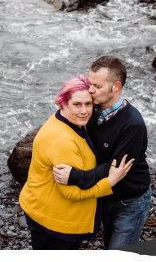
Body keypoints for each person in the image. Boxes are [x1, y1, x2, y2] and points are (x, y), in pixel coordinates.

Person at [20, 75, 134, 250]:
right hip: (54, 221)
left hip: (45, 209)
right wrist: (110, 181)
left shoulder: (68, 122)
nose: (84, 111)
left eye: (88, 104)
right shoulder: (63, 141)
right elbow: (71, 192)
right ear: (63, 103)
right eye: (77, 104)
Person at [53, 56, 151, 249]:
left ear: (116, 87)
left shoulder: (133, 124)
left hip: (130, 201)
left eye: (97, 86)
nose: (90, 90)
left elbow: (113, 168)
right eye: (90, 83)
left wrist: (74, 176)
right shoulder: (93, 110)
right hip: (105, 194)